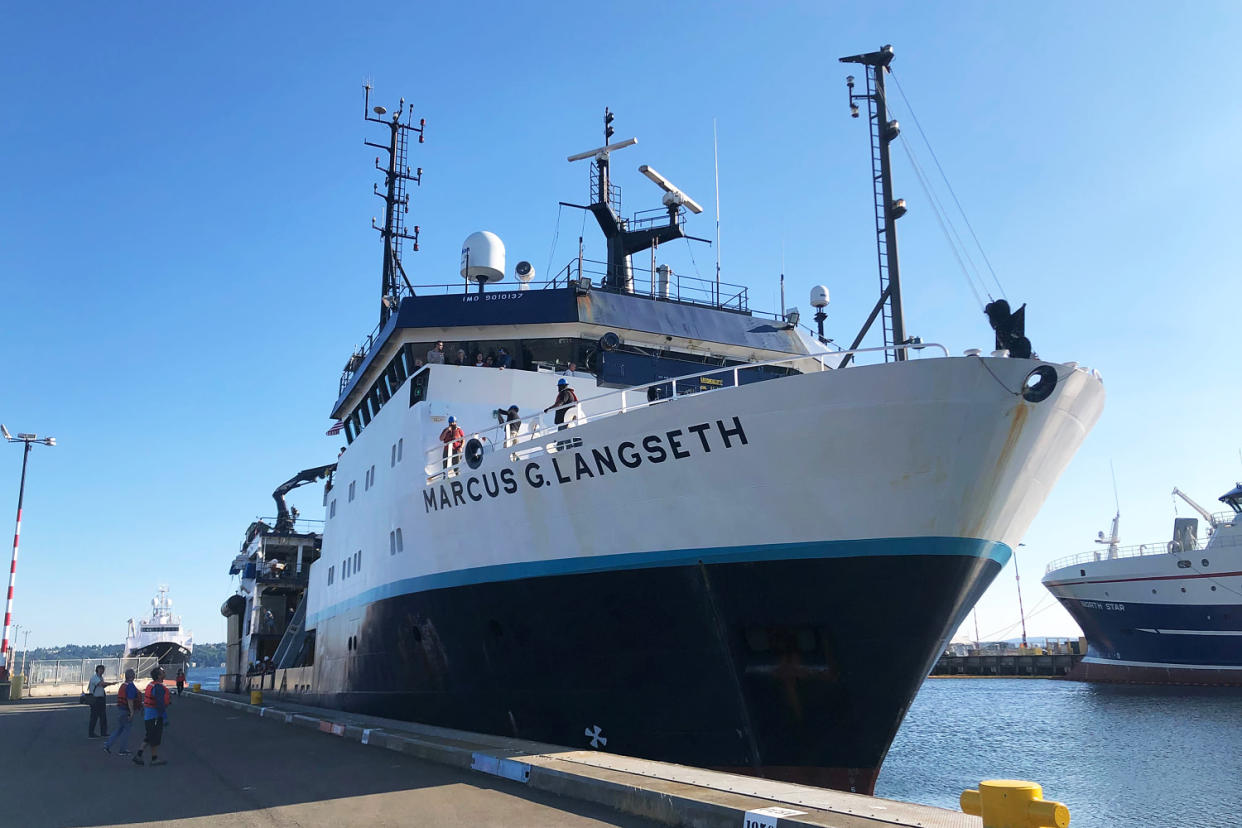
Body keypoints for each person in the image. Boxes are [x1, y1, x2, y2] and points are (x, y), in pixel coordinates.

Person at [132, 666, 171, 766]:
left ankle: (149, 757)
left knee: (150, 737)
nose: (164, 672)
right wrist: (165, 716)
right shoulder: (158, 687)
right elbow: (160, 703)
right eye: (162, 672)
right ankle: (143, 756)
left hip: (149, 715)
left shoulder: (151, 685)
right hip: (155, 716)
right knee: (153, 737)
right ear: (159, 676)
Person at [104, 668, 140, 756]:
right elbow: (130, 699)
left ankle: (108, 744)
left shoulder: (123, 685)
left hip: (121, 708)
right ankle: (122, 749)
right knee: (126, 730)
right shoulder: (130, 686)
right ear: (132, 676)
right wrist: (131, 712)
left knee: (119, 729)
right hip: (126, 710)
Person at [87, 664, 111, 738]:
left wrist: (107, 684)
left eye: (103, 669)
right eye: (100, 669)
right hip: (95, 699)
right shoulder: (95, 678)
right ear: (97, 670)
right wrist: (110, 683)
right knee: (94, 717)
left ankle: (103, 732)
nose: (102, 671)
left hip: (101, 698)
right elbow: (100, 684)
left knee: (103, 716)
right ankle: (91, 733)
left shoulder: (100, 677)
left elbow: (102, 685)